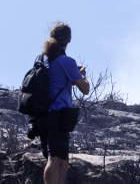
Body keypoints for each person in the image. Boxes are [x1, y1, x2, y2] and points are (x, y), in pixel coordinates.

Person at [39, 22, 90, 184]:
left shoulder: (44, 59)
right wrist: (82, 75)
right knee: (56, 158)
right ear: (68, 40)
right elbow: (85, 89)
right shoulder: (66, 62)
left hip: (44, 114)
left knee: (61, 159)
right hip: (58, 114)